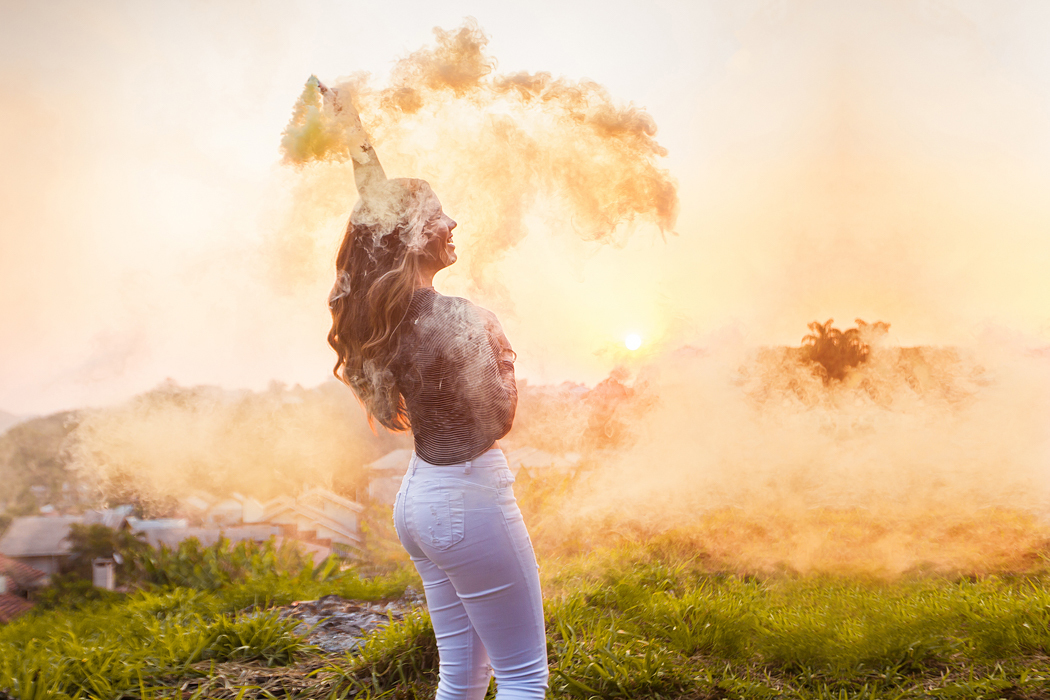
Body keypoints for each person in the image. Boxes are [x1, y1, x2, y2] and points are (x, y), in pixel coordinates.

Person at [323, 84, 548, 700]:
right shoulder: (462, 317)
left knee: (461, 678)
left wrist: (351, 129)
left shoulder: (381, 319)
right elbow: (498, 420)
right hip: (469, 501)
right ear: (415, 236)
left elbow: (376, 202)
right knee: (524, 677)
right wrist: (500, 357)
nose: (453, 223)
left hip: (418, 501)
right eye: (440, 216)